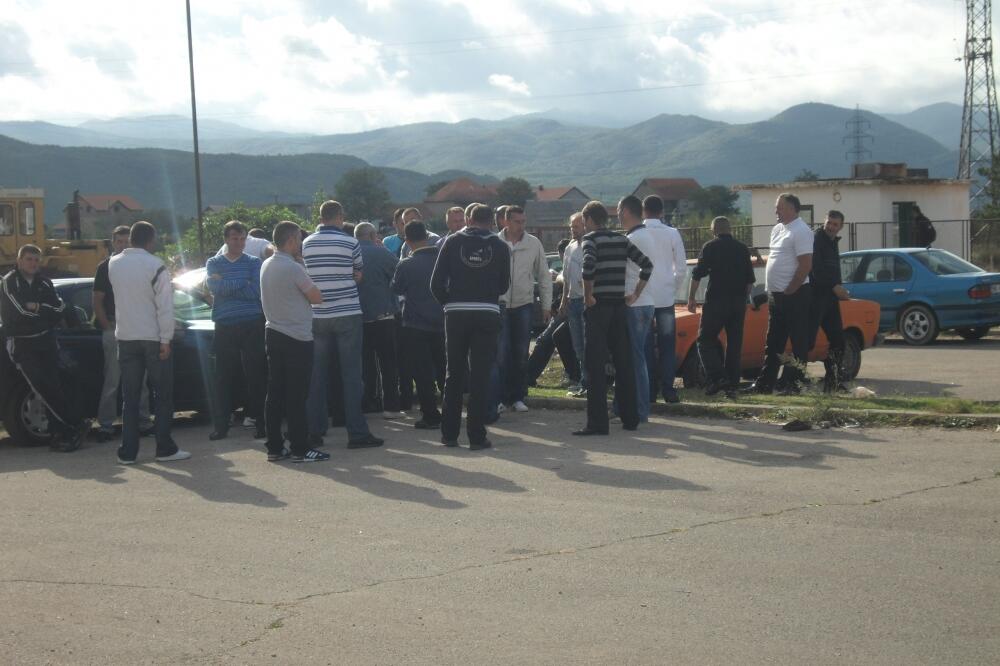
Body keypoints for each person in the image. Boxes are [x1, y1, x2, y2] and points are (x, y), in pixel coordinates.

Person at [302, 200, 383, 449]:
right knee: (351, 374)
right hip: (347, 312)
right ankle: (356, 433)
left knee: (317, 375)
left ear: (320, 217)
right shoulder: (350, 242)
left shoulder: (306, 243)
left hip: (317, 314)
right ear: (340, 217)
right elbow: (358, 273)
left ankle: (314, 430)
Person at [109, 221, 190, 464]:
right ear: (151, 240)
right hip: (153, 338)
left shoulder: (114, 264)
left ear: (131, 238)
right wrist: (166, 339)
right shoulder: (156, 265)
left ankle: (128, 452)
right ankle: (164, 448)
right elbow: (164, 306)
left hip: (125, 336)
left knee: (130, 398)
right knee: (163, 395)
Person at [431, 204, 511, 450]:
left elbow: (435, 283)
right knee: (480, 375)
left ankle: (449, 434)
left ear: (469, 219)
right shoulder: (500, 246)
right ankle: (476, 436)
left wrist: (449, 303)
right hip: (487, 312)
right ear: (492, 222)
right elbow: (503, 286)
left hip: (456, 313)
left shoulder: (452, 242)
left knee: (454, 373)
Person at [1, 245, 91, 452]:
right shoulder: (9, 282)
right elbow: (18, 312)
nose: (33, 263)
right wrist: (43, 314)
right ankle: (74, 423)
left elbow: (59, 309)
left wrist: (38, 307)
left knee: (53, 386)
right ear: (19, 261)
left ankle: (61, 432)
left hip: (47, 342)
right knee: (41, 386)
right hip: (22, 344)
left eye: (36, 260)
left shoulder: (44, 282)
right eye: (29, 259)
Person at [574, 201, 652, 436]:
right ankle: (631, 418)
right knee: (624, 362)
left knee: (595, 365)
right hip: (619, 306)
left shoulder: (590, 240)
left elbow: (588, 267)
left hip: (599, 307)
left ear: (589, 220)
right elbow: (647, 265)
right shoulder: (621, 239)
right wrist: (635, 294)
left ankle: (597, 423)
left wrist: (588, 295)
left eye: (584, 221)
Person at [260, 221, 329, 462]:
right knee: (297, 395)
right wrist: (302, 266)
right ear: (290, 241)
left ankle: (274, 446)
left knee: (275, 393)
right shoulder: (294, 268)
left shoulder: (266, 264)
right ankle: (301, 447)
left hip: (273, 331)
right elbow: (316, 296)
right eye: (298, 239)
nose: (300, 244)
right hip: (297, 336)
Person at [206, 220, 267, 441]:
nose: (239, 243)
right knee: (223, 377)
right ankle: (221, 426)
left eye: (242, 239)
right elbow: (214, 287)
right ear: (226, 239)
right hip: (225, 325)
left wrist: (228, 284)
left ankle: (262, 424)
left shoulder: (254, 262)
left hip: (252, 323)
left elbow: (256, 291)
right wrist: (243, 282)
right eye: (235, 238)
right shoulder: (214, 262)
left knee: (256, 375)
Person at [747, 193, 813, 394]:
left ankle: (794, 384)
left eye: (780, 207)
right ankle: (765, 384)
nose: (776, 211)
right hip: (776, 295)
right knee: (774, 341)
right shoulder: (777, 229)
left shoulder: (801, 230)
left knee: (798, 341)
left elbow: (805, 264)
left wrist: (792, 288)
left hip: (795, 294)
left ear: (792, 209)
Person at [489, 205, 552, 416]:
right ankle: (500, 398)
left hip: (524, 304)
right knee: (501, 353)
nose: (521, 225)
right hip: (500, 303)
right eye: (517, 221)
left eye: (523, 221)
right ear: (505, 221)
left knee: (521, 352)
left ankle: (518, 396)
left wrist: (546, 305)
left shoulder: (533, 243)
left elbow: (544, 275)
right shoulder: (494, 242)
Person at [93, 225, 152, 442]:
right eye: (119, 241)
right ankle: (106, 426)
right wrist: (107, 326)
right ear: (113, 243)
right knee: (112, 381)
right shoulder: (105, 267)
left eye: (126, 241)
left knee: (141, 381)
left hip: (137, 329)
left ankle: (144, 423)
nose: (122, 245)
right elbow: (97, 300)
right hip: (115, 329)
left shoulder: (140, 265)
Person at [687, 216, 756, 395]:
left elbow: (697, 274)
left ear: (714, 230)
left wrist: (691, 297)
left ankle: (718, 378)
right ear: (729, 229)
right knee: (734, 345)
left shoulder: (710, 247)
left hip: (716, 301)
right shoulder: (742, 248)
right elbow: (750, 282)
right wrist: (742, 300)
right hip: (738, 302)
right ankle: (732, 385)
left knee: (705, 340)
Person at [392, 220, 446, 429]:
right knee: (444, 368)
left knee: (422, 372)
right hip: (443, 321)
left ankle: (430, 414)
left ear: (407, 240)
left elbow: (396, 289)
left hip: (416, 324)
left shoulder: (406, 264)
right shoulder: (442, 260)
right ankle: (451, 408)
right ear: (426, 235)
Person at [641, 195, 687, 404]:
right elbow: (681, 268)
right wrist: (672, 287)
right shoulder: (672, 233)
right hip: (666, 298)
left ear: (643, 211)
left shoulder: (638, 233)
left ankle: (650, 390)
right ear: (661, 212)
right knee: (668, 345)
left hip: (643, 297)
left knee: (646, 345)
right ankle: (669, 390)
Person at [354, 222, 401, 418]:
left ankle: (368, 401)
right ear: (373, 235)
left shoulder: (350, 254)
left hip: (358, 316)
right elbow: (399, 273)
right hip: (383, 314)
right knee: (388, 362)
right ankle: (391, 406)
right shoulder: (382, 253)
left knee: (365, 363)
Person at [617, 195, 657, 422]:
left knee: (635, 359)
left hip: (634, 304)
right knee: (637, 358)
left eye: (619, 211)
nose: (618, 216)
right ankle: (631, 408)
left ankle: (640, 411)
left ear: (625, 211)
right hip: (647, 303)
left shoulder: (632, 238)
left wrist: (635, 294)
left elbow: (643, 268)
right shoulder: (646, 235)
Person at [809, 210, 851, 393]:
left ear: (841, 226)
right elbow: (815, 269)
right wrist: (834, 286)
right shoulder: (816, 239)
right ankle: (790, 381)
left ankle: (832, 382)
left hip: (830, 299)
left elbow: (833, 269)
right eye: (829, 223)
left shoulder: (833, 242)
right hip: (815, 297)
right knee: (806, 341)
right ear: (824, 222)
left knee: (838, 341)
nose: (831, 227)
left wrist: (839, 288)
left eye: (835, 224)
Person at [558, 212, 587, 396]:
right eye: (571, 226)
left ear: (585, 225)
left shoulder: (589, 246)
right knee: (578, 346)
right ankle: (584, 380)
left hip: (586, 301)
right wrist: (564, 301)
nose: (573, 229)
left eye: (576, 226)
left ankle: (589, 382)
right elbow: (566, 279)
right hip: (573, 301)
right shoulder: (569, 248)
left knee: (587, 344)